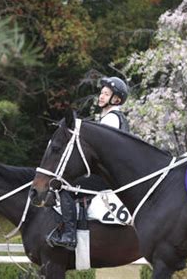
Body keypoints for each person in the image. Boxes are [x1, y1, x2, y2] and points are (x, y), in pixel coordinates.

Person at [46, 76, 130, 250]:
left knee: (65, 187)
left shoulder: (111, 119)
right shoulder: (110, 118)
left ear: (116, 99)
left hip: (107, 177)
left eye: (106, 94)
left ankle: (69, 235)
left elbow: (102, 152)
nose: (101, 96)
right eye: (101, 93)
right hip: (108, 174)